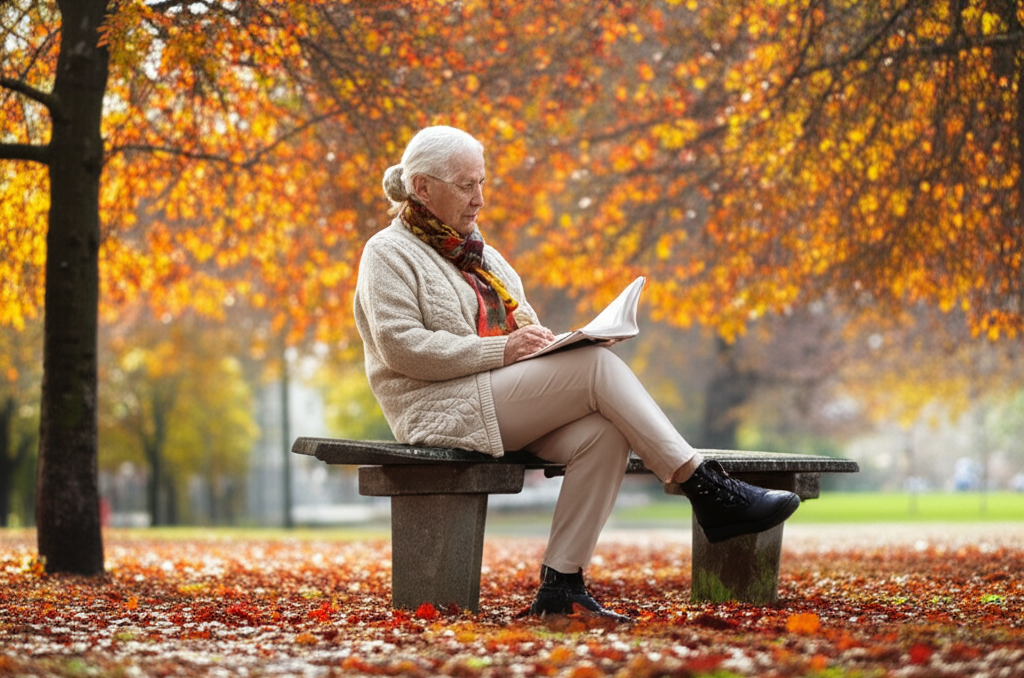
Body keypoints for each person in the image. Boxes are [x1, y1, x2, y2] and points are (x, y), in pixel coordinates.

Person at [353, 125, 800, 621]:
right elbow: (402, 348)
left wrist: (558, 345)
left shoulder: (485, 256)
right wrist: (502, 352)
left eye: (482, 182)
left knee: (603, 431)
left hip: (495, 400)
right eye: (465, 185)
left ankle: (561, 586)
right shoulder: (387, 252)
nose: (479, 198)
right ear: (421, 187)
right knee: (594, 369)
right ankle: (705, 488)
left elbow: (525, 330)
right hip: (436, 408)